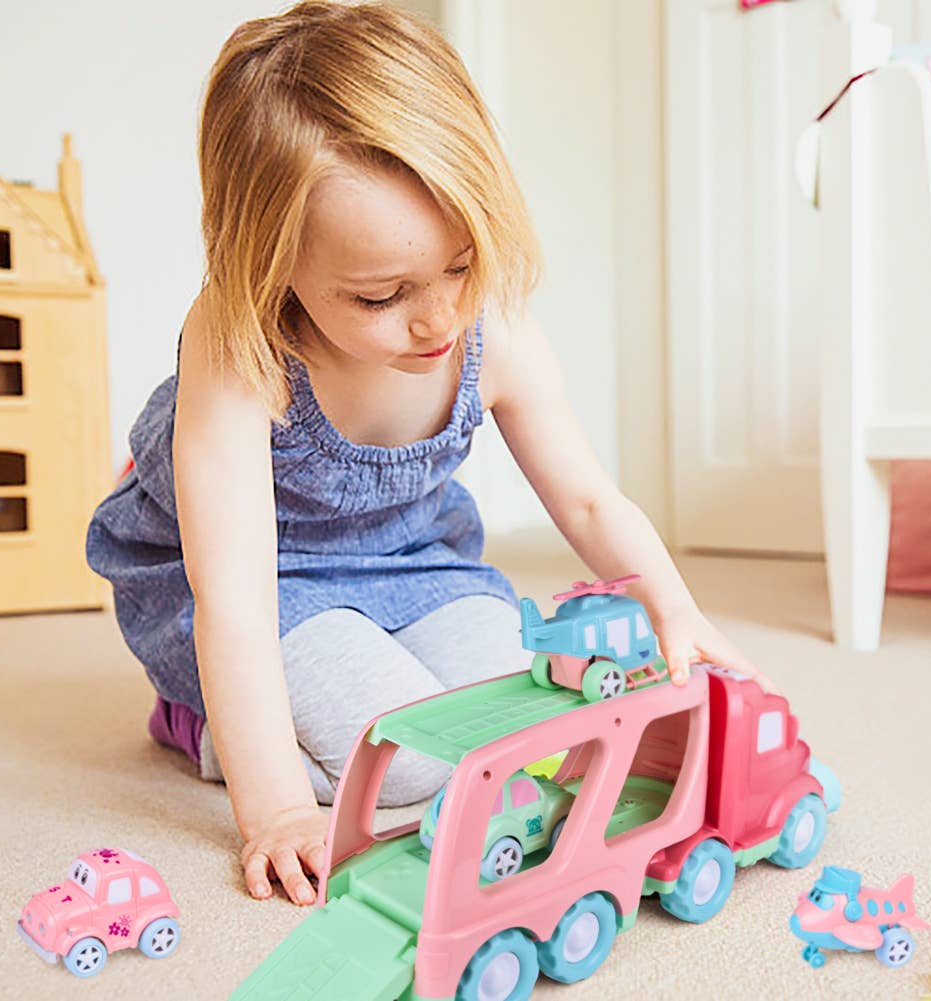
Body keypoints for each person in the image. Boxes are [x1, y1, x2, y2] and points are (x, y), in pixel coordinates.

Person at [86, 0, 773, 908]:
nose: (439, 318)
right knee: (409, 768)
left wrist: (678, 613)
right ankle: (205, 723)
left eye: (459, 266)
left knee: (531, 721)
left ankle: (319, 717)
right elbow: (236, 598)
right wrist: (278, 810)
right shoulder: (236, 339)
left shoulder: (494, 327)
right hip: (266, 590)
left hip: (419, 566)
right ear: (269, 263)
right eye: (380, 295)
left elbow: (592, 505)